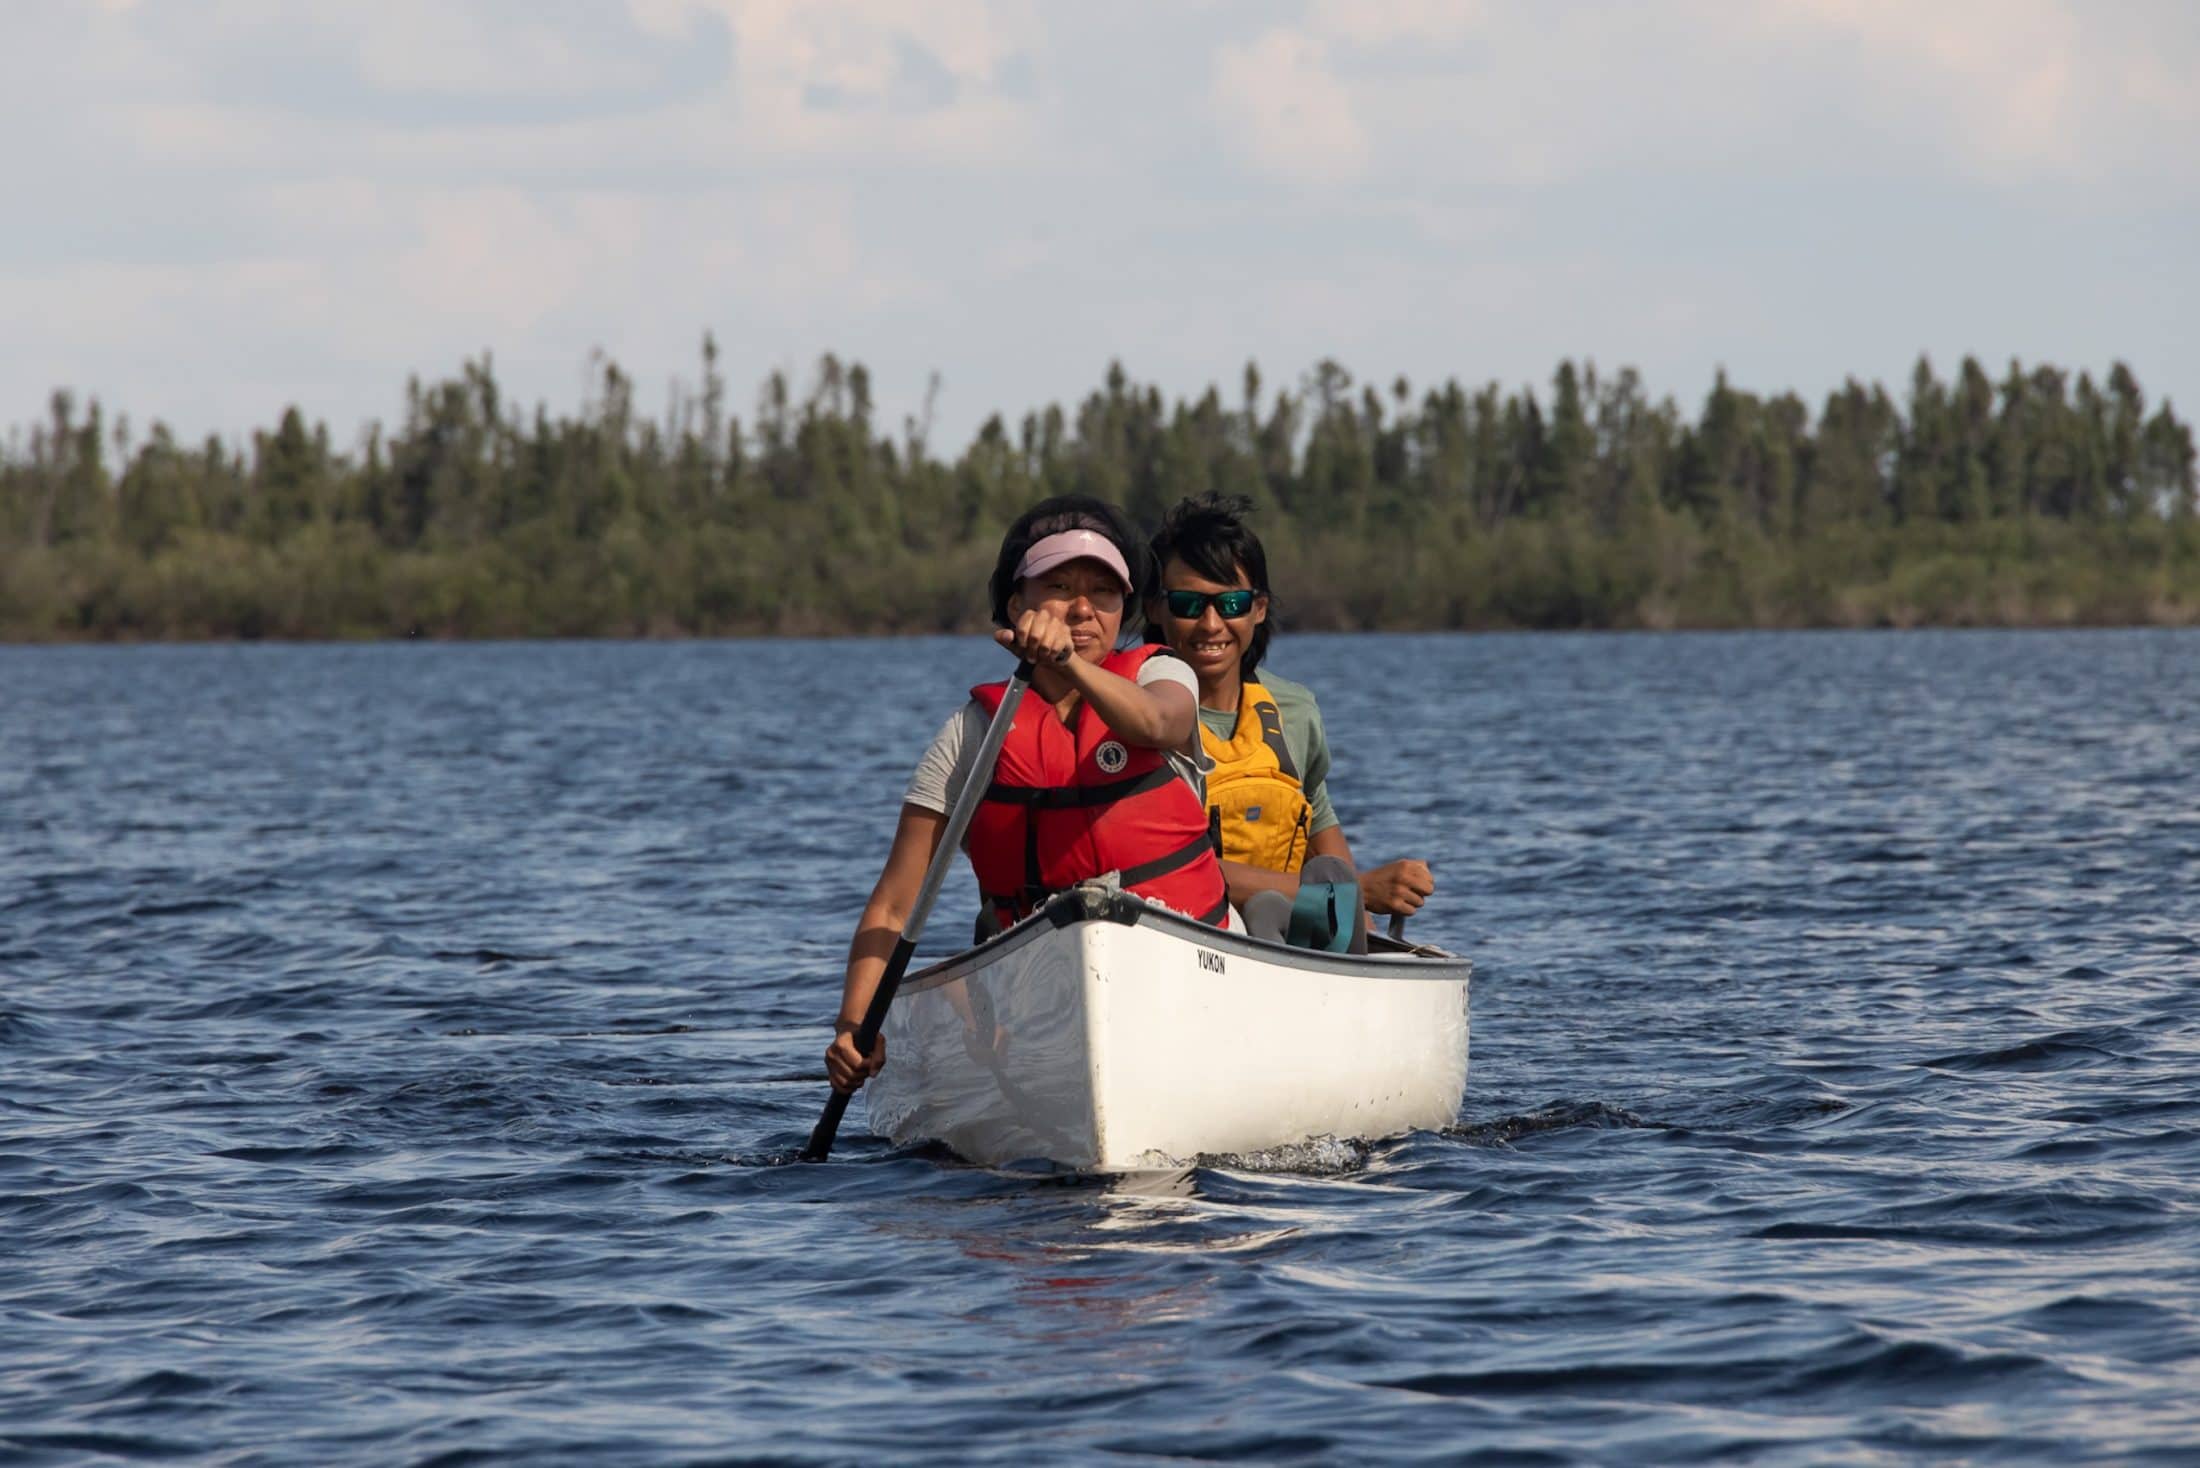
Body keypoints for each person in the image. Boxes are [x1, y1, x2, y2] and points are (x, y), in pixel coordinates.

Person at [825, 495, 1229, 1096]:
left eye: (1104, 592)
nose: (1083, 608)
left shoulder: (1162, 675)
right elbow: (893, 906)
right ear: (1017, 605)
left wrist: (1065, 662)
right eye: (1059, 586)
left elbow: (1157, 726)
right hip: (1037, 993)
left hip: (1193, 965)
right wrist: (854, 1024)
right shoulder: (972, 734)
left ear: (1125, 611)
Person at [1148, 492, 1434, 949]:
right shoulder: (1137, 717)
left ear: (1258, 609)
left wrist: (1361, 915)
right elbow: (1167, 867)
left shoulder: (1294, 710)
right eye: (1187, 604)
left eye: (1232, 603)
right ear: (1154, 609)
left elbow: (1318, 816)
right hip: (1184, 938)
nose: (1210, 624)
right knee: (1268, 908)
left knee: (1306, 889)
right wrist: (1358, 890)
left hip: (1288, 934)